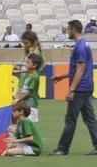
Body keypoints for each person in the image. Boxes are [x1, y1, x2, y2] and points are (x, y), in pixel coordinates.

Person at [52, 19, 97, 155]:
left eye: (68, 28)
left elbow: (80, 69)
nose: (67, 31)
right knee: (90, 118)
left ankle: (63, 149)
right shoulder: (83, 45)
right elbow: (78, 69)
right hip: (86, 87)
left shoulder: (80, 47)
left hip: (80, 89)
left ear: (73, 29)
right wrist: (62, 76)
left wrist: (72, 90)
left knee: (70, 119)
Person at [15, 52, 43, 122]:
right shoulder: (28, 73)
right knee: (23, 126)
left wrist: (17, 100)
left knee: (29, 127)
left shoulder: (34, 76)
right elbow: (23, 71)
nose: (25, 64)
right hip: (25, 106)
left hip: (31, 107)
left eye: (28, 62)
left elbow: (28, 93)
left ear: (34, 65)